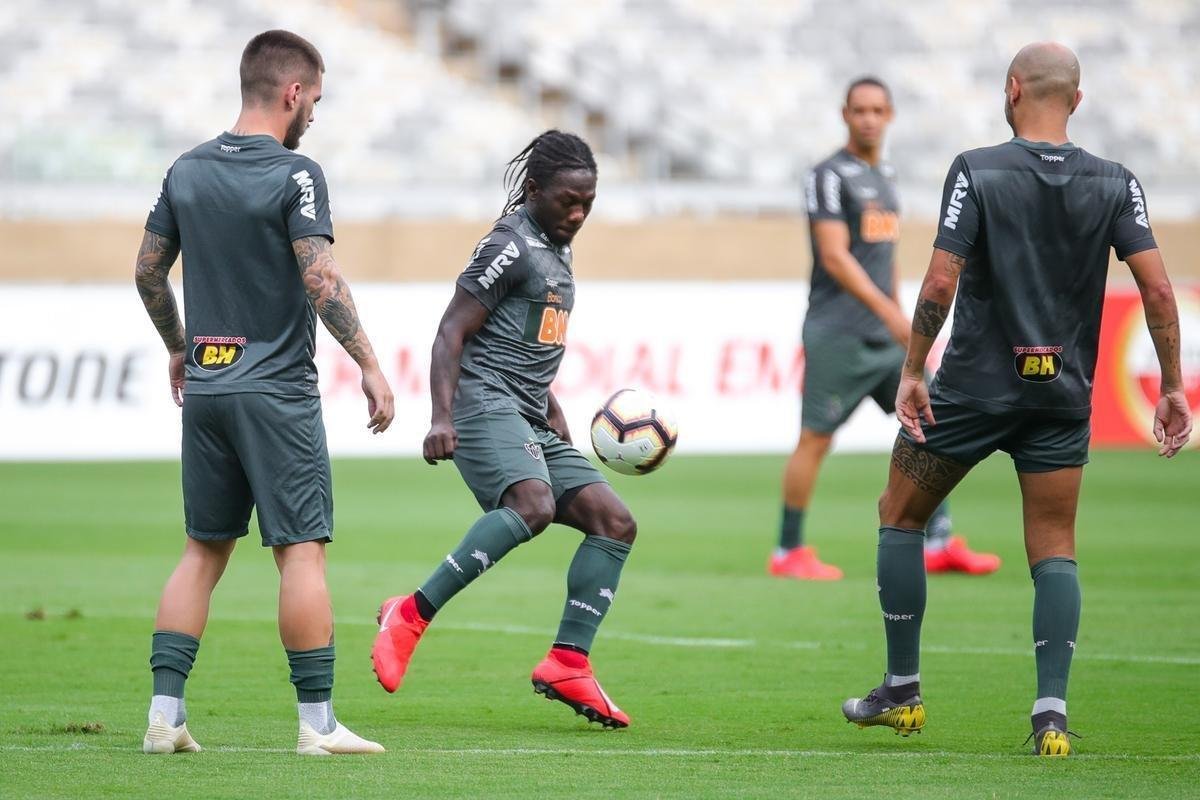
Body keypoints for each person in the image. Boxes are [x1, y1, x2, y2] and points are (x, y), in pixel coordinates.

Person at [841, 42, 1192, 756]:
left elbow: (940, 283)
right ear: (1077, 99)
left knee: (899, 514)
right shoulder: (1117, 181)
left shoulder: (977, 170)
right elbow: (1157, 288)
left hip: (971, 390)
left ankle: (902, 690)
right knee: (1055, 547)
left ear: (1011, 90)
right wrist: (1174, 385)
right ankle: (1051, 717)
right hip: (1061, 394)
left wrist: (913, 369)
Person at [134, 29, 395, 755]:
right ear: (292, 92)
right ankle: (318, 726)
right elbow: (321, 278)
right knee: (301, 553)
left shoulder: (184, 170)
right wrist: (369, 363)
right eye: (314, 98)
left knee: (201, 551)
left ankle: (165, 716)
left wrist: (181, 351)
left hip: (210, 389)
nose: (314, 112)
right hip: (276, 393)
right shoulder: (297, 174)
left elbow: (149, 273)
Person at [370, 130, 638, 729]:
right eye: (568, 200)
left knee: (614, 522)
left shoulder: (557, 246)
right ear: (535, 189)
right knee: (533, 504)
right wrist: (440, 416)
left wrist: (553, 413)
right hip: (480, 401)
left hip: (528, 409)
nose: (579, 213)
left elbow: (529, 345)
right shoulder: (509, 245)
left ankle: (569, 661)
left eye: (588, 203)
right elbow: (450, 332)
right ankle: (410, 614)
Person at [771, 77, 999, 581]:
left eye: (877, 110)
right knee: (816, 438)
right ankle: (788, 550)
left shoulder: (888, 176)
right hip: (838, 332)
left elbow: (884, 258)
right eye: (859, 110)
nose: (869, 118)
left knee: (934, 423)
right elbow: (835, 256)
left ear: (890, 115)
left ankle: (936, 541)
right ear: (845, 114)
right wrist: (890, 313)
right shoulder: (828, 175)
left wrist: (904, 324)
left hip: (885, 333)